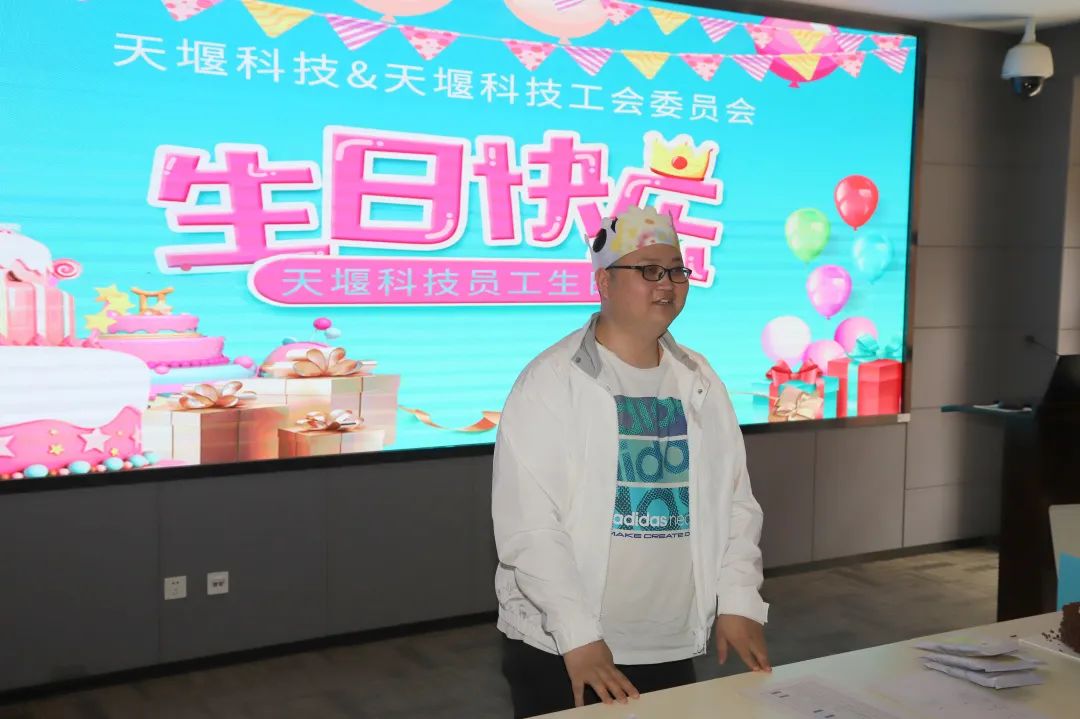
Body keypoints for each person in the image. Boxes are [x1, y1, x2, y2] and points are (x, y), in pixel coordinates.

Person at [492, 205, 771, 718]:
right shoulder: (551, 381)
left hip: (670, 639)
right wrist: (578, 635)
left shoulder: (700, 378)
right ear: (603, 281)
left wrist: (737, 600)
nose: (667, 284)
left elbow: (735, 502)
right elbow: (530, 527)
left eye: (677, 271)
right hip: (564, 647)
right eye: (649, 270)